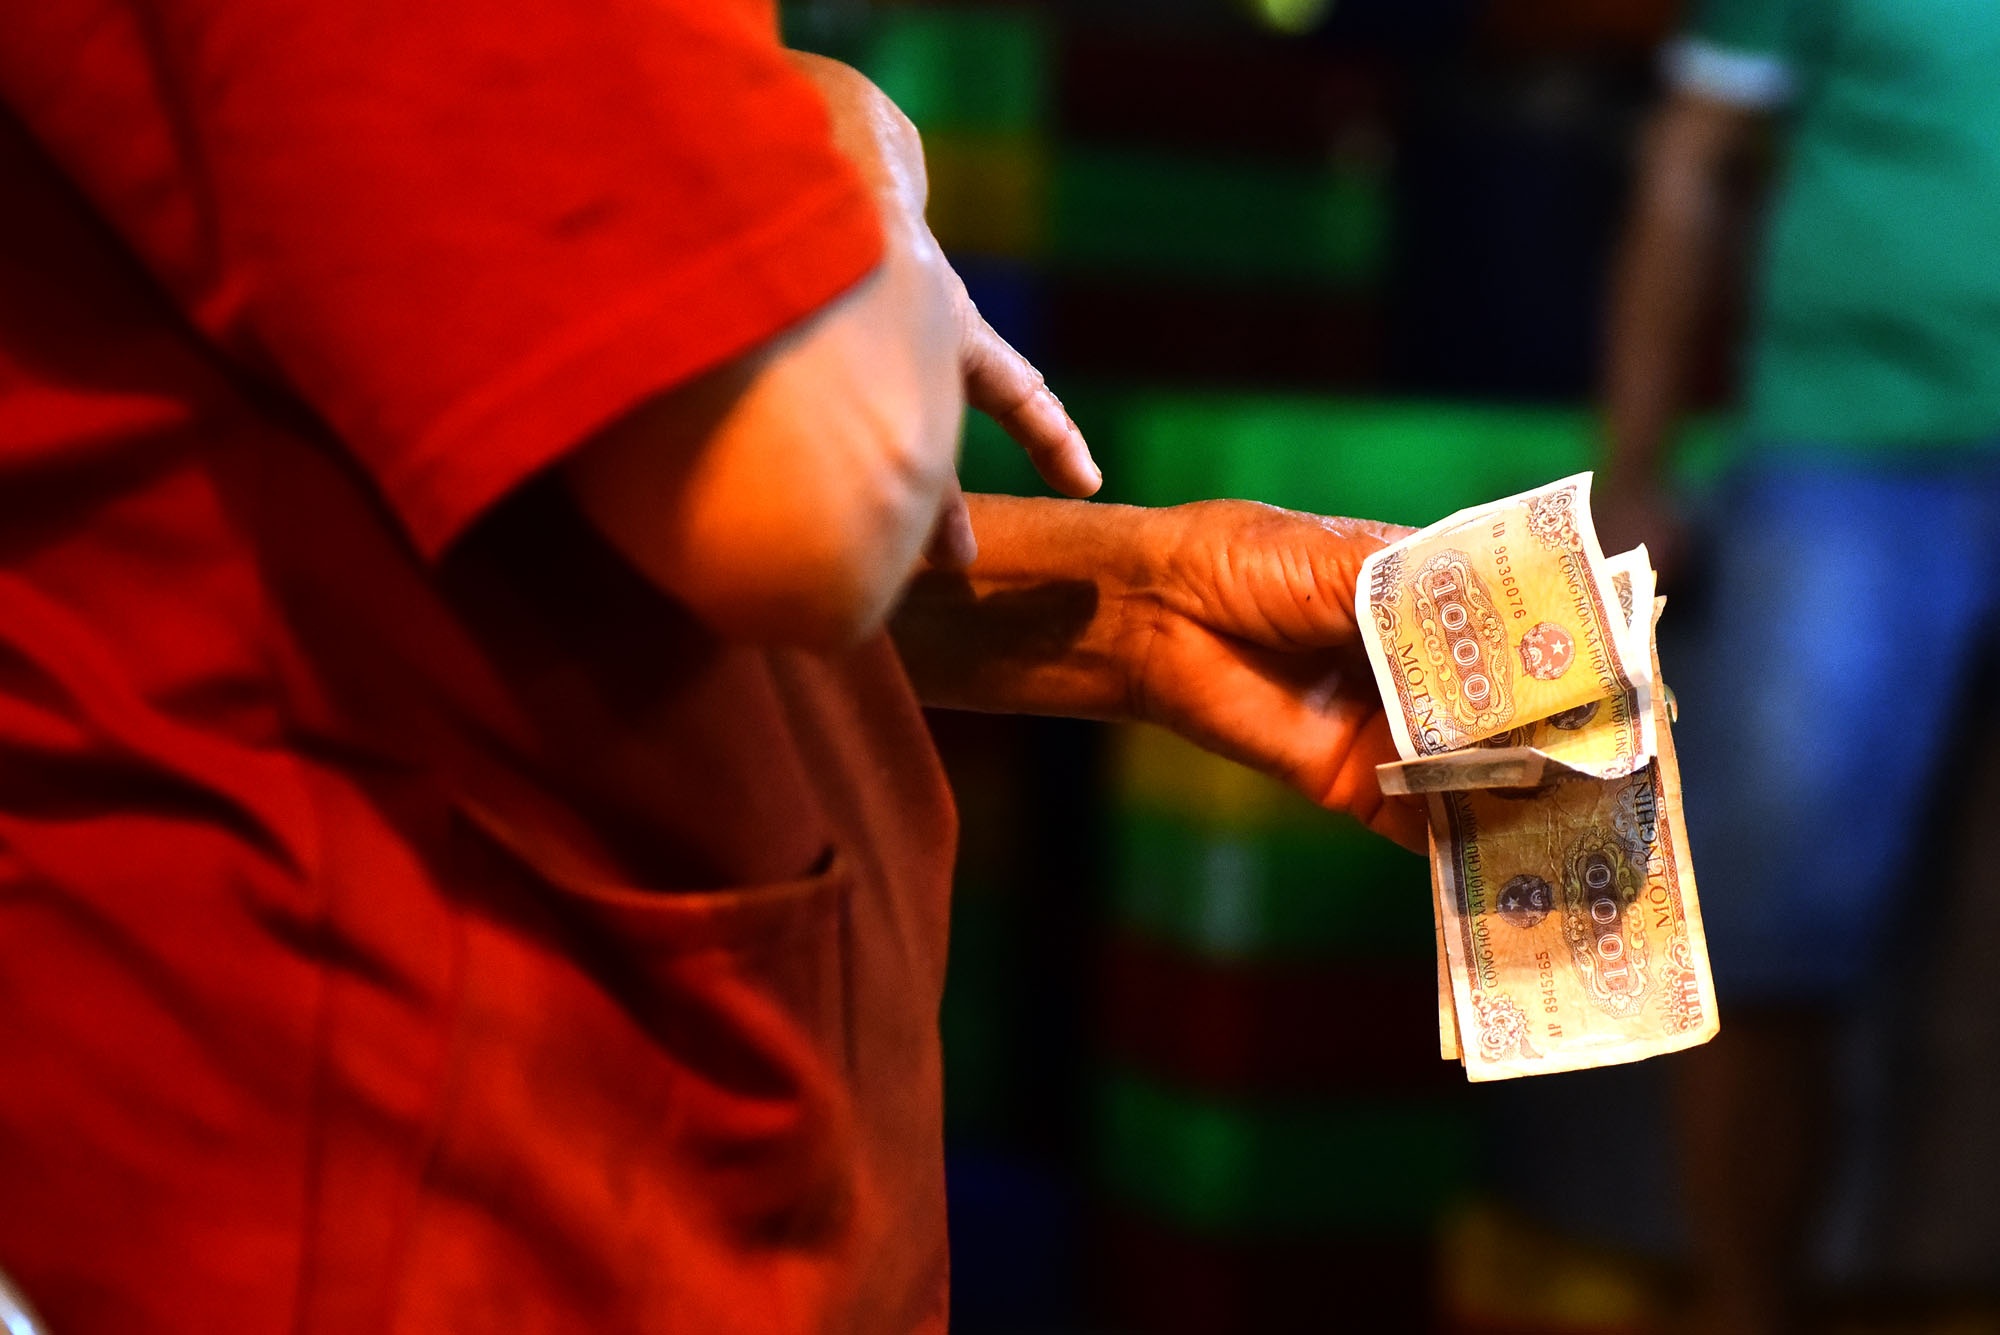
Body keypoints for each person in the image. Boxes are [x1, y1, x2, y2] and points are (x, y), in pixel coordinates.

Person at [0, 1, 1421, 1330]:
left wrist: (1141, 612)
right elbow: (808, 494)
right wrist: (854, 140)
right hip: (427, 1205)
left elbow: (571, 487)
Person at [1600, 1, 2000, 1330]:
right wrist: (1636, 470)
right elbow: (1694, 153)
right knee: (1769, 926)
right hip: (1849, 451)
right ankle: (1743, 1305)